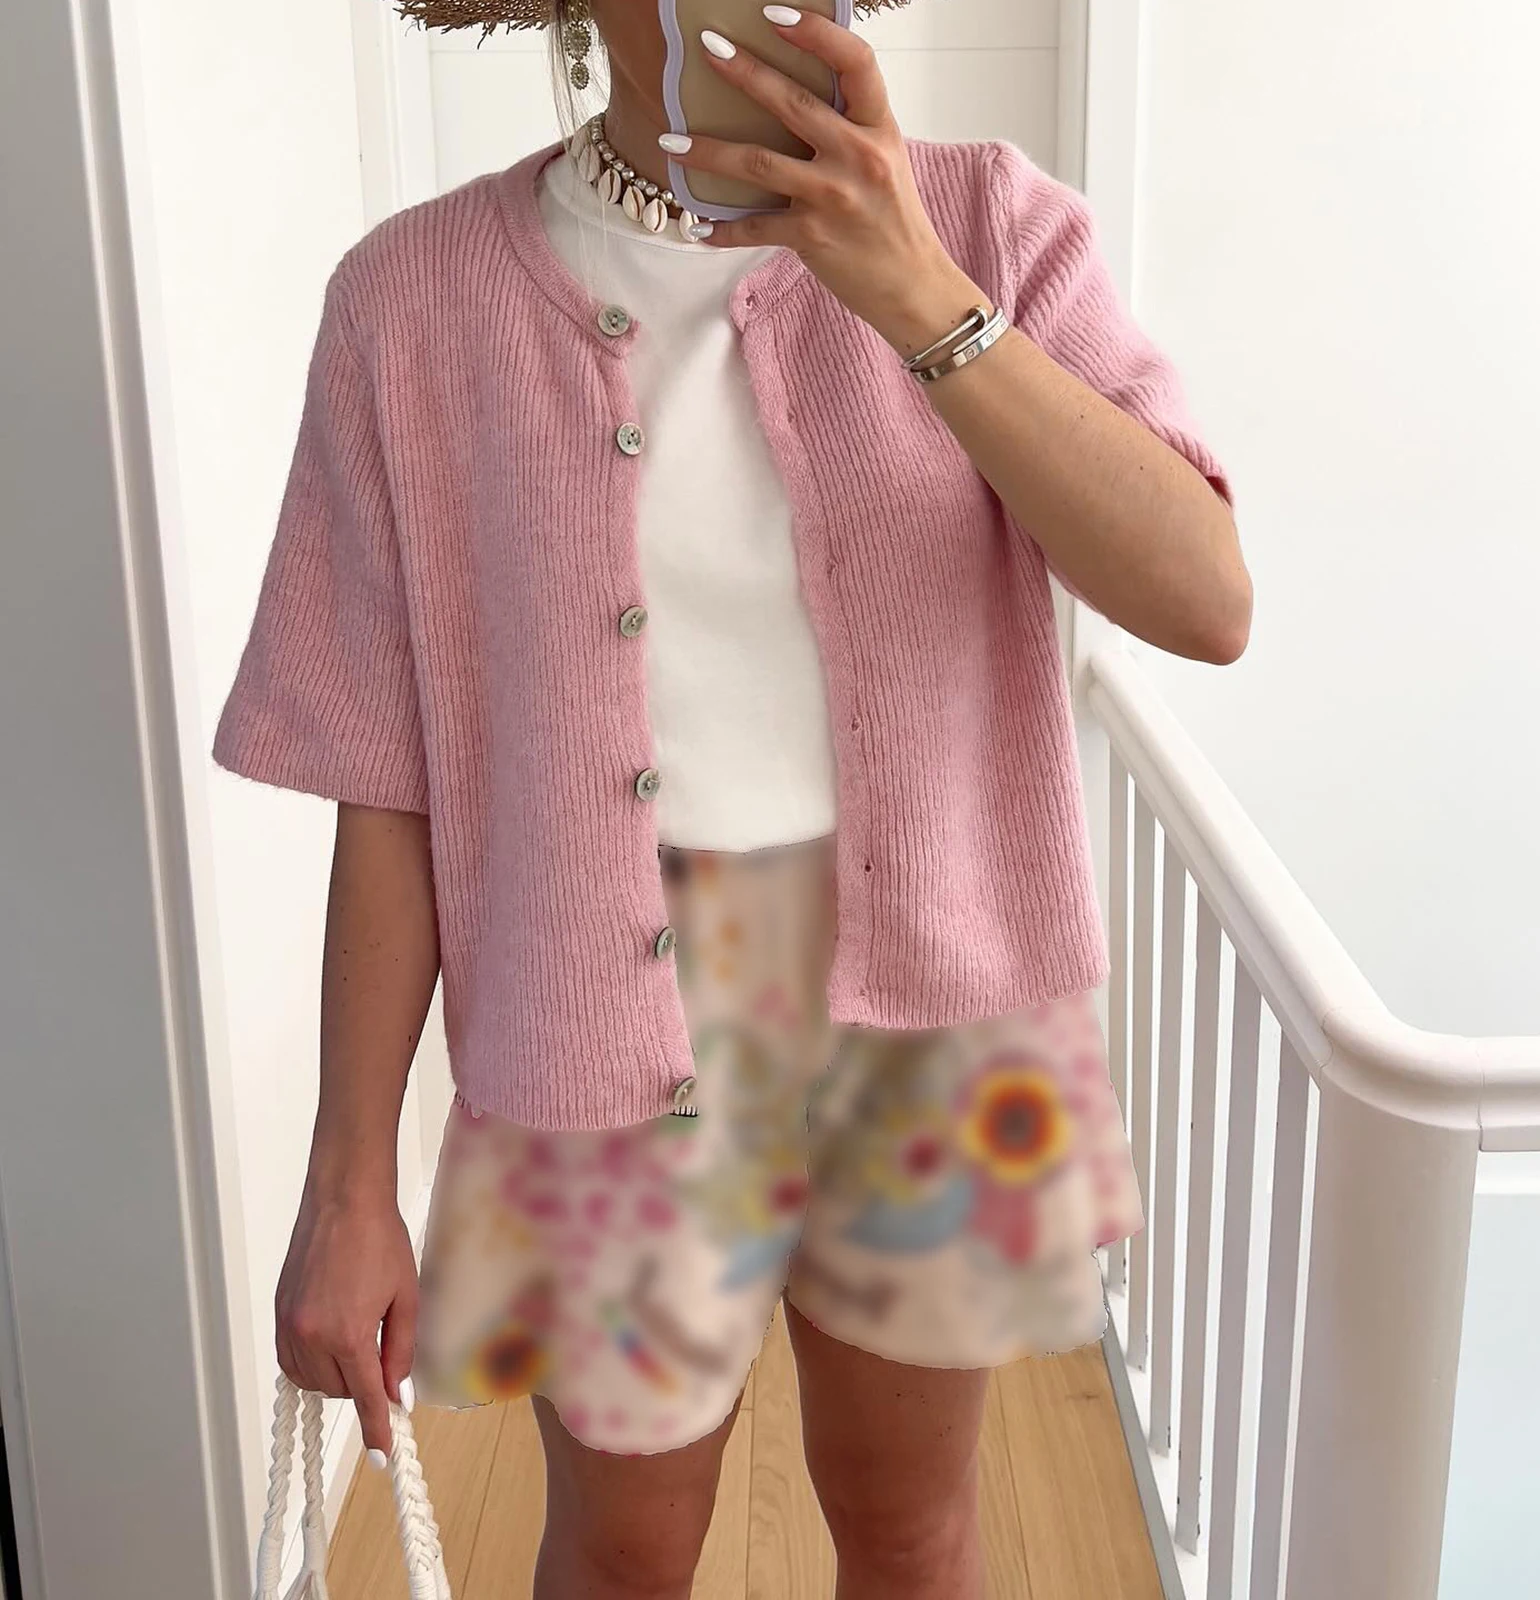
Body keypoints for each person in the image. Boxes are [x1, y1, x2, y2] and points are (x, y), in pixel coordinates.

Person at [213, 0, 1251, 1593]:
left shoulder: (989, 225)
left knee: (911, 1531)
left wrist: (920, 297)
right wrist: (350, 1182)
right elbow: (386, 782)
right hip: (591, 1020)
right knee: (620, 1552)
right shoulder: (409, 304)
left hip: (932, 1012)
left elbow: (1205, 597)